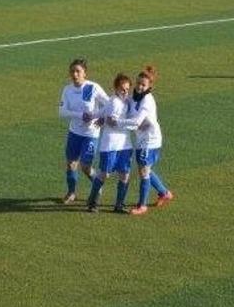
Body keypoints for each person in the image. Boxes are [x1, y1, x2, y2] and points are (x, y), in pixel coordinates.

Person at [110, 65, 174, 216]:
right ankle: (164, 193)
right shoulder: (134, 97)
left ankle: (142, 205)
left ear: (149, 86)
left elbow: (137, 122)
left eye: (143, 85)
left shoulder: (147, 101)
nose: (139, 86)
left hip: (150, 140)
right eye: (138, 83)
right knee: (145, 169)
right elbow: (124, 104)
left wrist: (118, 122)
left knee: (143, 171)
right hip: (141, 139)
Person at [59, 58, 109, 204]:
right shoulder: (67, 90)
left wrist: (103, 118)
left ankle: (97, 184)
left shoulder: (93, 87)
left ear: (84, 73)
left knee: (86, 167)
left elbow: (109, 104)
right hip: (74, 132)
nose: (75, 74)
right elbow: (62, 112)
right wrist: (80, 115)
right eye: (72, 71)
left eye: (78, 71)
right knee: (71, 164)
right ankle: (71, 192)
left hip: (90, 134)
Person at [87, 73, 134, 213]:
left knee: (125, 174)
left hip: (125, 145)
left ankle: (119, 204)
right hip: (111, 145)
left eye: (127, 89)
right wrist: (131, 124)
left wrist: (98, 117)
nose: (125, 92)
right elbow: (112, 122)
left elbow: (103, 113)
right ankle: (92, 202)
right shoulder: (114, 102)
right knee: (104, 174)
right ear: (115, 88)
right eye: (122, 89)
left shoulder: (126, 101)